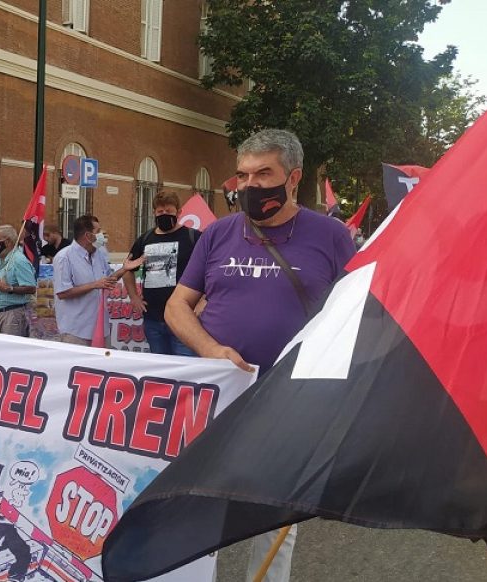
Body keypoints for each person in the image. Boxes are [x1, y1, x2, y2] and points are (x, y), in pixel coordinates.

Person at [166, 129, 356, 582]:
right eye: (243, 175)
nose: (250, 185)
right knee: (200, 499)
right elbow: (177, 306)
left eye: (263, 173)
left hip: (291, 396)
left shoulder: (331, 236)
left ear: (293, 177)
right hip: (219, 391)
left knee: (273, 515)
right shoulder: (217, 234)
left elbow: (356, 312)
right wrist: (210, 349)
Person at [122, 191, 200, 356]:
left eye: (169, 212)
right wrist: (134, 297)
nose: (164, 215)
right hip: (153, 319)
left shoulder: (193, 237)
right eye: (160, 212)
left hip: (184, 319)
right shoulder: (145, 239)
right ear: (154, 213)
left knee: (185, 370)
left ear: (178, 212)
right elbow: (127, 270)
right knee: (162, 371)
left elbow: (208, 272)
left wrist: (202, 303)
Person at [53, 215, 133, 346]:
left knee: (102, 366)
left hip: (101, 328)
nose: (102, 235)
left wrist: (124, 269)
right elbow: (62, 293)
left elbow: (107, 280)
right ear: (88, 236)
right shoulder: (64, 257)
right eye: (98, 232)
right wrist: (94, 285)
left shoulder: (99, 254)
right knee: (78, 366)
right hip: (76, 331)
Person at [0, 225, 36, 337]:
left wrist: (9, 288)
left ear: (8, 242)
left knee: (11, 351)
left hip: (12, 315)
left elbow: (31, 288)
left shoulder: (19, 260)